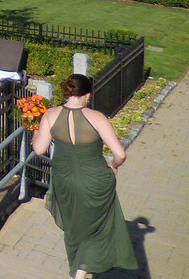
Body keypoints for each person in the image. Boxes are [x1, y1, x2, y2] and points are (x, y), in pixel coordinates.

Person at [31, 74, 138, 279]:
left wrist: (35, 129)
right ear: (88, 95)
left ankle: (77, 269)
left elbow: (39, 149)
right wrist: (113, 166)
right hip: (95, 181)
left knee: (74, 227)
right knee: (98, 228)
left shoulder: (50, 115)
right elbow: (120, 155)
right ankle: (80, 271)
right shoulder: (97, 118)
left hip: (64, 181)